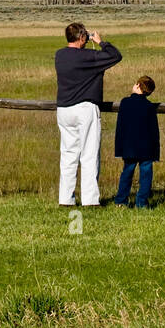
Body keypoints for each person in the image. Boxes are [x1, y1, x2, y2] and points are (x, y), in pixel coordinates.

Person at [54, 22, 121, 207]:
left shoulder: (59, 55)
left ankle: (66, 199)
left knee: (68, 155)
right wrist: (100, 42)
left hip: (64, 109)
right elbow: (115, 56)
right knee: (89, 155)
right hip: (85, 108)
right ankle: (90, 200)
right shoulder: (90, 57)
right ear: (82, 38)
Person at [114, 75, 159, 208]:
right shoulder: (150, 107)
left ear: (138, 85)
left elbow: (120, 126)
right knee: (145, 175)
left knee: (127, 173)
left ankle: (121, 200)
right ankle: (142, 202)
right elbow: (154, 130)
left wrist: (119, 147)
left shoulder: (125, 103)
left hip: (129, 146)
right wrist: (155, 151)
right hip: (146, 147)